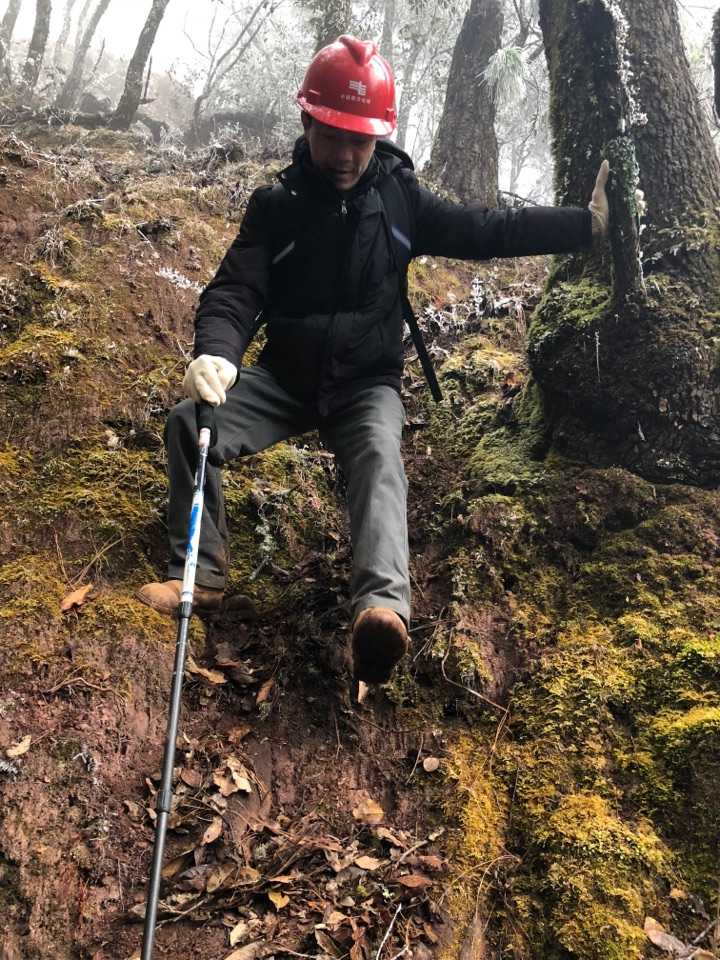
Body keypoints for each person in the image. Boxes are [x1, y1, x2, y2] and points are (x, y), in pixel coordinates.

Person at [138, 35, 609, 685]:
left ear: (377, 137)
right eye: (333, 135)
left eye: (359, 139)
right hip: (285, 377)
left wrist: (581, 226)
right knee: (191, 423)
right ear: (307, 124)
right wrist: (216, 355)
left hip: (367, 382)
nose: (346, 154)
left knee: (380, 462)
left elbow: (486, 231)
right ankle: (198, 574)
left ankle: (381, 611)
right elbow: (236, 290)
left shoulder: (398, 197)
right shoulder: (277, 205)